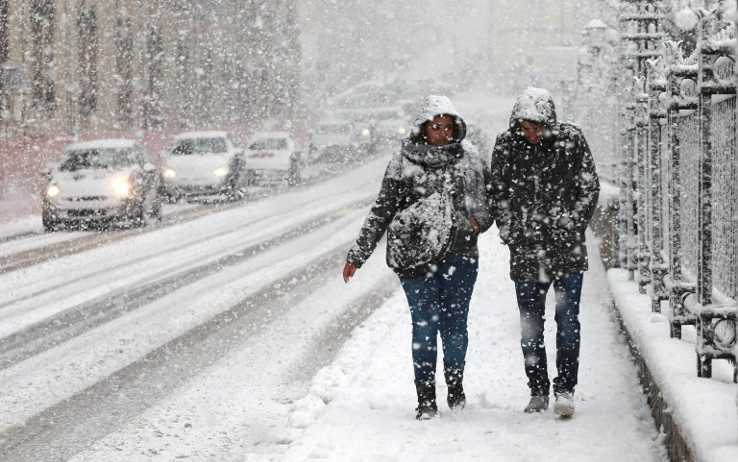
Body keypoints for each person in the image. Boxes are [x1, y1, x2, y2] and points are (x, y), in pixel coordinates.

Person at [342, 95, 493, 420]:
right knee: (424, 326)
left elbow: (487, 205)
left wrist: (474, 222)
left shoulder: (471, 161)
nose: (441, 132)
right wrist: (360, 252)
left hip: (461, 257)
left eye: (447, 127)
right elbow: (382, 210)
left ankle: (455, 387)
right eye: (435, 126)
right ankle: (425, 398)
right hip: (416, 261)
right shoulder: (402, 163)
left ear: (456, 128)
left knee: (454, 328)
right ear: (423, 127)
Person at [489, 87, 600, 417]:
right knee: (530, 324)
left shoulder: (572, 141)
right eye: (525, 126)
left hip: (566, 251)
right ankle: (537, 389)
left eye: (537, 126)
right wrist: (510, 230)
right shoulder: (507, 146)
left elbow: (588, 187)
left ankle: (565, 388)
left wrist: (572, 222)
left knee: (567, 322)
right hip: (526, 251)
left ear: (549, 121)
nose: (532, 133)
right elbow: (498, 192)